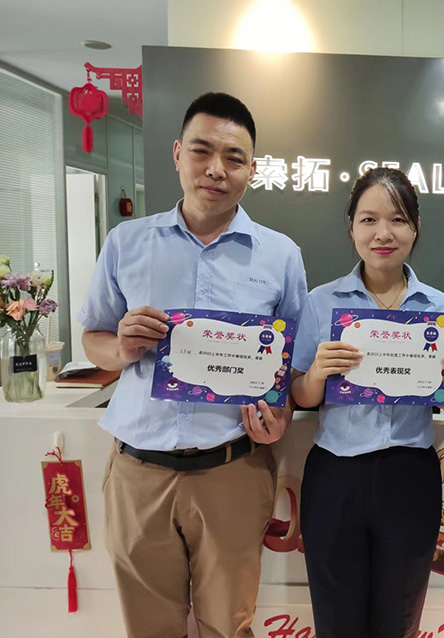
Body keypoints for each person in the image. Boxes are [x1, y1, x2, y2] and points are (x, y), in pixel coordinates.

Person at [78, 92, 308, 638]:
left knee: (229, 626)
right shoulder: (126, 242)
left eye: (234, 157)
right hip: (139, 471)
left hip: (233, 469)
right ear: (178, 153)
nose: (216, 169)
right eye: (202, 150)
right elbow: (92, 339)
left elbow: (291, 367)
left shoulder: (280, 255)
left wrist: (280, 416)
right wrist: (122, 348)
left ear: (252, 170)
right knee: (149, 627)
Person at [290, 167, 444, 638]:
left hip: (410, 476)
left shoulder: (438, 307)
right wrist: (317, 373)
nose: (383, 233)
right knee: (336, 617)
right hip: (336, 475)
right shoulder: (322, 302)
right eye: (368, 220)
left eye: (397, 219)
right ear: (351, 227)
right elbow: (299, 394)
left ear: (416, 228)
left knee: (400, 617)